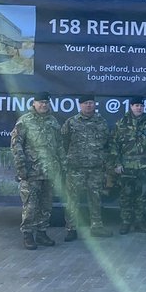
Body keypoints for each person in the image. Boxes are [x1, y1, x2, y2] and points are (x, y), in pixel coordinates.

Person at [10, 90, 63, 250]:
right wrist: (21, 168)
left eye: (46, 102)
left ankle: (41, 233)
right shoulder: (25, 121)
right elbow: (16, 145)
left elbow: (59, 145)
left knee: (46, 205)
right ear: (34, 103)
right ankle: (28, 234)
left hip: (49, 172)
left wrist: (61, 167)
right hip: (31, 172)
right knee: (31, 205)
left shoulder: (53, 122)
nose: (43, 105)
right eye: (40, 102)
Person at [60, 93, 111, 239]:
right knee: (72, 200)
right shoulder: (71, 122)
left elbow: (106, 144)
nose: (88, 105)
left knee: (95, 198)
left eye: (91, 102)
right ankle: (71, 229)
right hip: (76, 169)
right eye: (85, 103)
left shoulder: (101, 122)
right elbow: (63, 143)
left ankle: (97, 227)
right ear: (80, 105)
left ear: (95, 104)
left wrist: (104, 163)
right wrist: (67, 162)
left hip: (95, 169)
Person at [109, 96, 146, 233]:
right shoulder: (121, 123)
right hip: (127, 167)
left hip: (144, 166)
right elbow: (114, 146)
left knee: (141, 197)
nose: (139, 108)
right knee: (126, 196)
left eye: (141, 106)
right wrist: (117, 164)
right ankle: (125, 222)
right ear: (131, 107)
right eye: (136, 105)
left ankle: (139, 221)